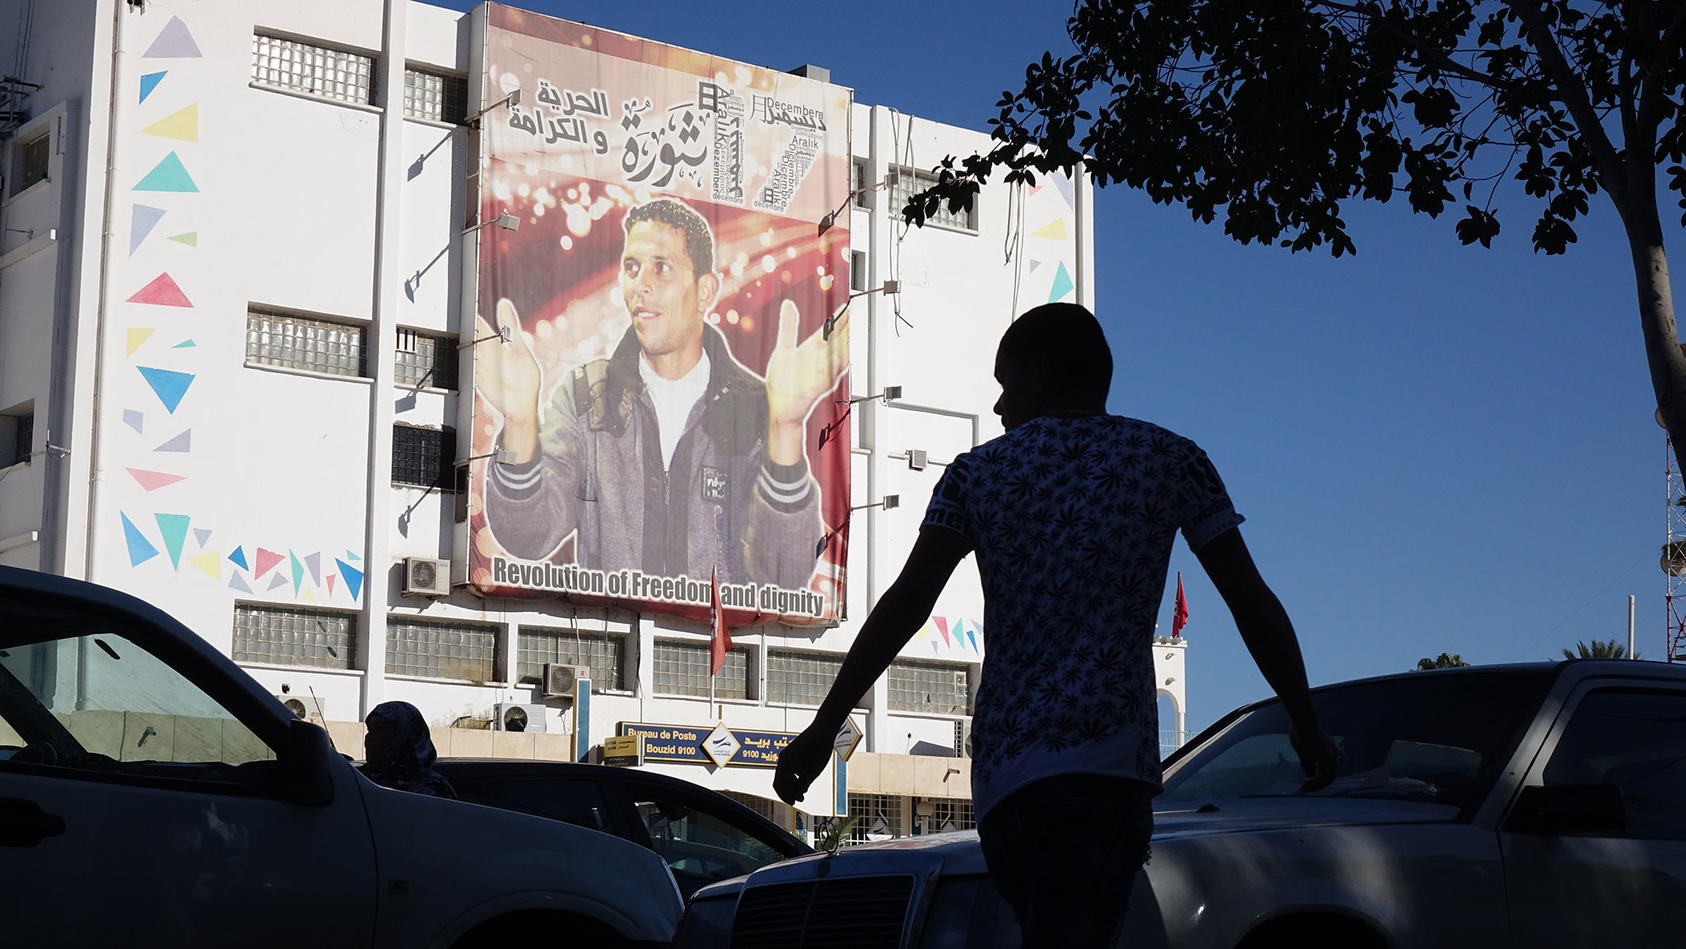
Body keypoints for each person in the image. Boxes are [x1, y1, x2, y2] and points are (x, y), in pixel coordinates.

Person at [774, 303, 1338, 948]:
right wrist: (1304, 717)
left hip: (1007, 777)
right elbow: (1250, 600)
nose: (999, 407)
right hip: (1108, 770)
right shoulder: (1171, 460)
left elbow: (905, 605)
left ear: (1040, 374)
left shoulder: (975, 476)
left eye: (1005, 385)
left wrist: (825, 727)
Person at [476, 197, 846, 588]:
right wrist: (518, 423)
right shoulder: (587, 396)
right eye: (632, 268)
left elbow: (784, 574)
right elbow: (528, 535)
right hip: (610, 641)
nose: (641, 286)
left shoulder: (753, 406)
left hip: (712, 645)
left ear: (705, 291)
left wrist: (785, 428)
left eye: (661, 268)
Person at [360, 700, 457, 799]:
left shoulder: (431, 789)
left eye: (378, 729)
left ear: (402, 736)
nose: (369, 737)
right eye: (369, 730)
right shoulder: (358, 778)